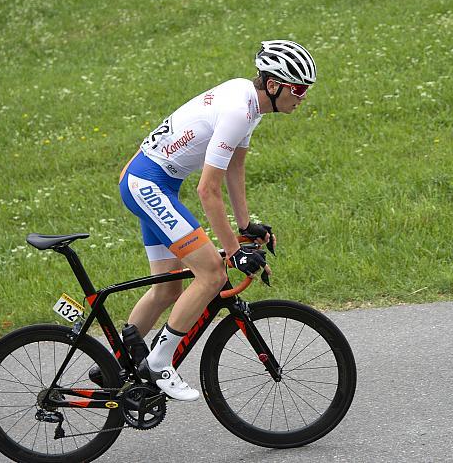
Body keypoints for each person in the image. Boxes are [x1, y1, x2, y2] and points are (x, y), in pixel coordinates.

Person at [114, 40, 316, 401]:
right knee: (211, 273)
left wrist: (243, 227)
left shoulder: (249, 104)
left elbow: (235, 167)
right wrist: (232, 251)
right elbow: (208, 190)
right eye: (298, 89)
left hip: (150, 181)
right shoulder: (240, 109)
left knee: (168, 289)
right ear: (273, 85)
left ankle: (114, 366)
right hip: (148, 184)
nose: (302, 97)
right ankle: (159, 362)